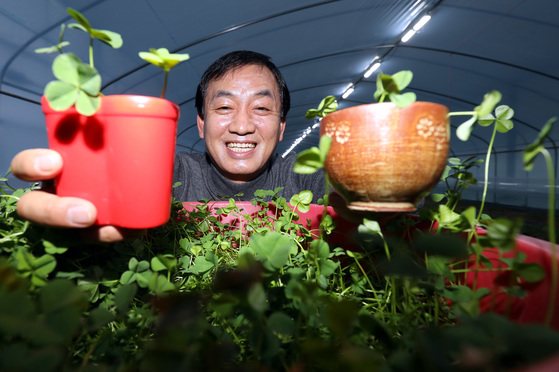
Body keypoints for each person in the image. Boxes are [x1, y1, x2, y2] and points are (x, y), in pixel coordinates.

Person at [10, 51, 329, 242]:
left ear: (282, 126)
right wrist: (63, 191)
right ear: (201, 125)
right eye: (223, 108)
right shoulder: (166, 174)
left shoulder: (309, 176)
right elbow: (107, 187)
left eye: (261, 108)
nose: (242, 126)